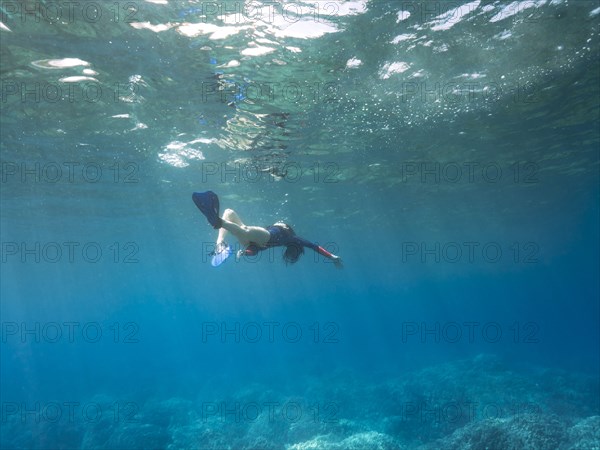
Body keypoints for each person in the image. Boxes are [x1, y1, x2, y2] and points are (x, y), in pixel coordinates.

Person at [192, 191, 342, 268]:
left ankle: (217, 223)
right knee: (230, 213)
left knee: (242, 230)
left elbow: (314, 246)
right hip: (251, 242)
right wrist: (246, 252)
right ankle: (220, 242)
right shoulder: (281, 240)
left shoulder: (291, 237)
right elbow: (255, 249)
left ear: (286, 227)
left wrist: (332, 256)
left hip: (262, 237)